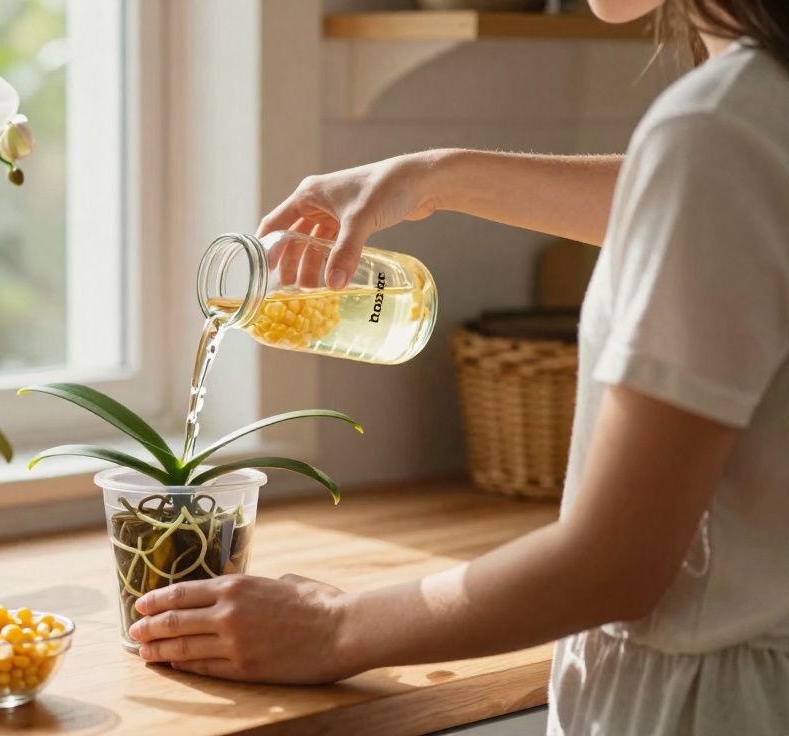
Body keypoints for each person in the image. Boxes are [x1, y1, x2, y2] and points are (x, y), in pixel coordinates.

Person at [127, 0, 789, 733]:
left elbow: (615, 566)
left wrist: (335, 626)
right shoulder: (753, 108)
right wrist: (432, 177)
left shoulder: (717, 125)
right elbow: (692, 192)